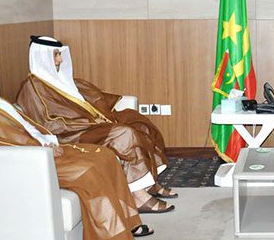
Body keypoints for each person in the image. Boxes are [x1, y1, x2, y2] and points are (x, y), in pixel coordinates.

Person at [0, 48, 152, 240]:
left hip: (43, 153)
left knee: (105, 156)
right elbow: (0, 146)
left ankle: (127, 224)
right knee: (90, 172)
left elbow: (29, 127)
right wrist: (42, 148)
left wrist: (49, 141)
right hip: (29, 164)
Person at [16, 35, 177, 215]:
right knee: (124, 134)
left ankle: (149, 183)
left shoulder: (60, 80)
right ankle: (138, 196)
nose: (60, 59)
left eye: (59, 54)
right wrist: (91, 122)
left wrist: (100, 118)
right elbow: (49, 124)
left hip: (90, 125)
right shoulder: (32, 88)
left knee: (137, 122)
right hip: (72, 134)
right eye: (55, 55)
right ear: (41, 56)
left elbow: (90, 100)